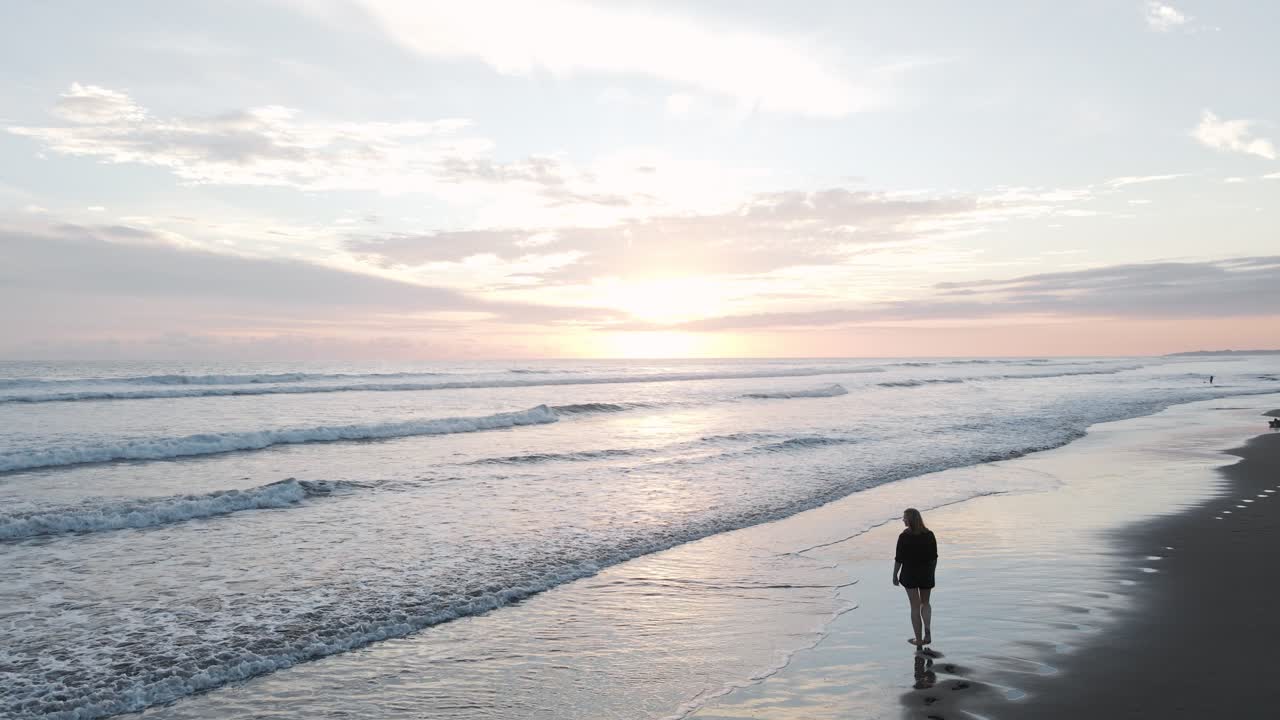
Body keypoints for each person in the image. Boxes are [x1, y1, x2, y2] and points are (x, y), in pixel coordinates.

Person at [893, 507, 938, 650]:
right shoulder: (929, 534)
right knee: (926, 603)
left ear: (910, 520)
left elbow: (899, 559)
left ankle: (918, 640)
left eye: (905, 518)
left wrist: (894, 575)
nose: (903, 520)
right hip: (926, 573)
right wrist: (931, 572)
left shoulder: (904, 536)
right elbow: (934, 557)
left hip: (910, 574)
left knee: (914, 606)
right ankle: (927, 631)